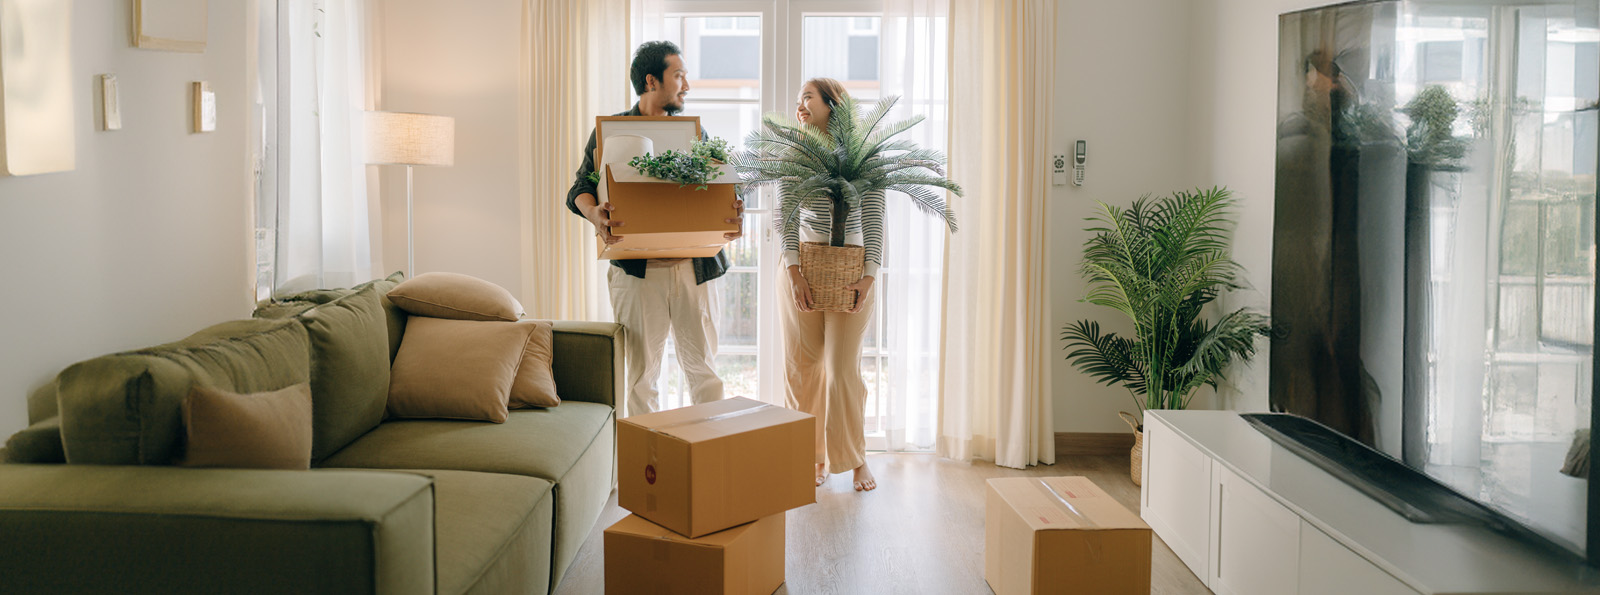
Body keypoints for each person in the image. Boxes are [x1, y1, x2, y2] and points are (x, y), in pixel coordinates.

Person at [565, 41, 744, 417]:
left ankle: (709, 466)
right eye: (678, 75)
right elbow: (580, 188)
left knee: (705, 373)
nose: (686, 86)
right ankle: (649, 472)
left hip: (694, 270)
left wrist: (731, 209)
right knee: (640, 379)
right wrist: (596, 214)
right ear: (651, 81)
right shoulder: (610, 132)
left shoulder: (697, 135)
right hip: (637, 273)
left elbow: (723, 188)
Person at [781, 78, 884, 492]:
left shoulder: (861, 155)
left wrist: (869, 275)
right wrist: (793, 272)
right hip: (801, 266)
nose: (800, 104)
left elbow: (876, 218)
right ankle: (812, 457)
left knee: (843, 370)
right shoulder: (795, 153)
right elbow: (786, 215)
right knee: (803, 370)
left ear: (831, 103)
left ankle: (856, 459)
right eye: (798, 98)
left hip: (852, 270)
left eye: (807, 96)